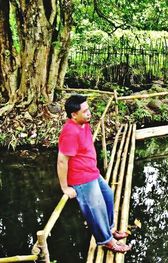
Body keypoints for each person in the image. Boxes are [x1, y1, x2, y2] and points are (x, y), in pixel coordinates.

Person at [57, 94, 131, 253]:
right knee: (96, 208)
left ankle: (110, 230)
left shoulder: (84, 124)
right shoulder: (69, 132)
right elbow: (62, 161)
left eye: (88, 109)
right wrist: (65, 187)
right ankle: (106, 241)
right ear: (74, 115)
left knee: (108, 196)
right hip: (82, 179)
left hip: (92, 172)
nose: (89, 113)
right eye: (85, 111)